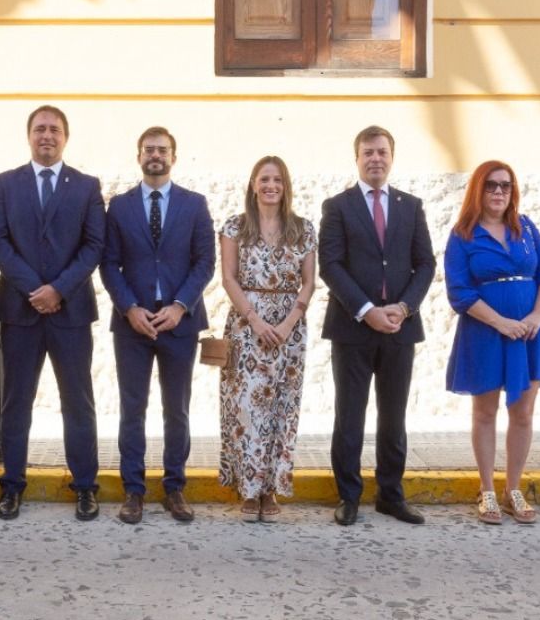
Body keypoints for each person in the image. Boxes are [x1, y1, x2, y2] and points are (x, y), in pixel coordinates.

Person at [0, 105, 105, 521]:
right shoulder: (5, 184)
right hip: (21, 310)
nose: (47, 136)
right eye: (40, 129)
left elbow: (94, 246)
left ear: (65, 137)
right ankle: (12, 485)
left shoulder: (87, 186)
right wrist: (34, 288)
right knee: (16, 403)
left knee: (78, 402)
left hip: (70, 311)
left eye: (54, 129)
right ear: (29, 136)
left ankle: (86, 485)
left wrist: (58, 289)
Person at [318, 126, 437, 527]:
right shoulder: (337, 206)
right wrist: (367, 309)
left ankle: (390, 495)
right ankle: (348, 495)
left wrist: (404, 307)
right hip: (353, 328)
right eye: (368, 152)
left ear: (392, 157)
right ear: (357, 158)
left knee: (394, 416)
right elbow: (330, 265)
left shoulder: (410, 205)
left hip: (399, 329)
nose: (375, 159)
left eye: (382, 152)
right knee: (349, 416)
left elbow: (426, 263)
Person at [99, 127, 216, 525]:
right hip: (133, 324)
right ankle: (133, 491)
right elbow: (108, 263)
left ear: (173, 157)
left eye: (163, 150)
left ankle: (174, 488)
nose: (156, 156)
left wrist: (181, 306)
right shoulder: (119, 206)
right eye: (149, 149)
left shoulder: (194, 204)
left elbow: (205, 262)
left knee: (176, 410)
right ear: (139, 156)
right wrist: (130, 307)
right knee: (133, 410)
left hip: (178, 324)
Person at [443, 161, 540, 525]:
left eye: (506, 187)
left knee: (523, 414)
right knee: (485, 412)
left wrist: (536, 317)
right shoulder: (463, 235)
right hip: (485, 334)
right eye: (492, 186)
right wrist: (501, 323)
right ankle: (487, 490)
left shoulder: (525, 228)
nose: (499, 192)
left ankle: (513, 488)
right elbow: (459, 291)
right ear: (477, 190)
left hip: (529, 334)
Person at [218, 156, 316, 522]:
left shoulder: (303, 230)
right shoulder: (234, 227)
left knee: (281, 409)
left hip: (290, 330)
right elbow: (228, 278)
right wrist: (256, 320)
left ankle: (270, 489)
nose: (270, 185)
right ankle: (247, 489)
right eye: (264, 179)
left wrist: (290, 321)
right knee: (246, 409)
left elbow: (309, 281)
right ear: (253, 184)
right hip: (247, 329)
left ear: (285, 186)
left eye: (277, 179)